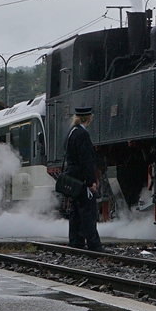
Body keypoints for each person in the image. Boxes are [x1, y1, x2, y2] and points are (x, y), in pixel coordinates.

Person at [64, 105, 103, 252]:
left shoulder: (71, 133)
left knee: (75, 212)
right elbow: (86, 161)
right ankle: (94, 244)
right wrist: (91, 181)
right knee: (87, 212)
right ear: (89, 118)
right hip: (81, 180)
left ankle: (76, 242)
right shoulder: (82, 134)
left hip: (72, 177)